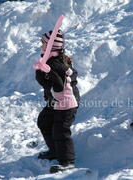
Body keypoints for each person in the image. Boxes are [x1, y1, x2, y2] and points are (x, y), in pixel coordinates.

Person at [35, 30, 80, 172]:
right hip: (54, 101)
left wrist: (45, 72)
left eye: (43, 44)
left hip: (66, 102)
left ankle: (67, 161)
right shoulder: (50, 61)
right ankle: (55, 151)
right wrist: (40, 69)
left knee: (61, 130)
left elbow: (58, 86)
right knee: (44, 121)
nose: (41, 46)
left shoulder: (55, 64)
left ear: (50, 46)